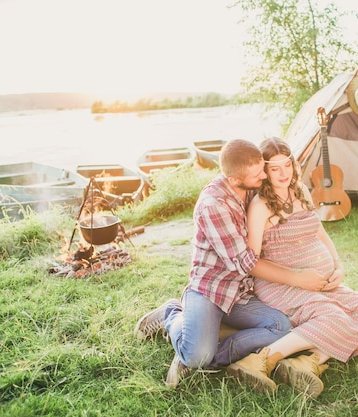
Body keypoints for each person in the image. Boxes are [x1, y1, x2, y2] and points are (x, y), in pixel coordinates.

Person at [134, 139, 331, 388]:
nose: (265, 176)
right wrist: (295, 272)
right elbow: (246, 262)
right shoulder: (214, 206)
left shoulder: (249, 186)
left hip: (242, 293)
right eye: (260, 174)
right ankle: (172, 315)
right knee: (197, 354)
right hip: (211, 290)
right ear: (236, 180)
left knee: (280, 327)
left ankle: (202, 350)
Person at [226, 137, 358, 398]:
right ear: (264, 171)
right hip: (281, 285)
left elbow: (319, 231)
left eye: (287, 165)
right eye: (274, 168)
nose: (283, 173)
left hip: (318, 279)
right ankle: (259, 362)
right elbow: (251, 262)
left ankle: (307, 361)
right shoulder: (260, 206)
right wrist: (298, 278)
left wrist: (337, 264)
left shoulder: (300, 189)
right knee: (333, 316)